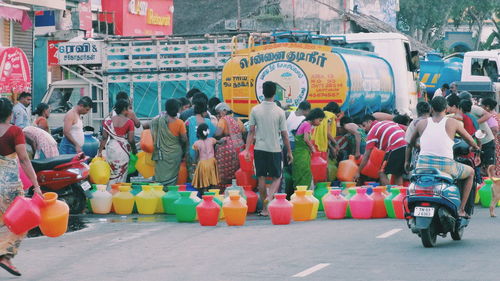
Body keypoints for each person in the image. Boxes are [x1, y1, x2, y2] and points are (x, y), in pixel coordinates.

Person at [405, 96, 479, 218]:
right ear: (446, 109)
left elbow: (410, 143)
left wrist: (411, 156)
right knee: (470, 172)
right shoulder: (452, 122)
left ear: (431, 109)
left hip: (422, 165)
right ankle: (461, 209)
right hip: (446, 166)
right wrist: (476, 147)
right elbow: (469, 140)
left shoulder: (421, 123)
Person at [0, 98, 41, 277]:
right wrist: (37, 185)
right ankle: (4, 255)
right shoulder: (15, 131)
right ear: (11, 114)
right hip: (8, 184)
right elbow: (24, 159)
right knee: (21, 219)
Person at [244, 81, 292, 216]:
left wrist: (247, 150)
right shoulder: (280, 112)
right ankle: (270, 197)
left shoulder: (255, 110)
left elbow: (251, 132)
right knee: (277, 176)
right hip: (275, 148)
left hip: (259, 148)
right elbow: (284, 134)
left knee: (261, 177)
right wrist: (289, 151)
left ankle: (265, 210)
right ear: (274, 93)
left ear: (262, 93)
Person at [358, 115, 407, 185]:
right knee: (397, 174)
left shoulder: (372, 131)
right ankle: (399, 194)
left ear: (370, 122)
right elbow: (406, 128)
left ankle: (389, 193)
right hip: (406, 146)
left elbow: (366, 155)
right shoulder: (387, 122)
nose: (363, 129)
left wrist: (358, 172)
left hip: (395, 146)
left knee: (382, 172)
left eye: (364, 125)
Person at [98, 99, 137, 185]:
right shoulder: (129, 122)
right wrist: (134, 150)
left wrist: (100, 151)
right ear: (124, 109)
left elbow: (104, 137)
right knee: (122, 172)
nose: (128, 111)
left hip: (111, 148)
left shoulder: (108, 121)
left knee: (112, 172)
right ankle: (119, 193)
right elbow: (131, 140)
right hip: (123, 150)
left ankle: (109, 192)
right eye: (128, 109)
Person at [151, 99, 187, 185]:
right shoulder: (180, 123)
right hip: (175, 154)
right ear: (177, 109)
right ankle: (170, 194)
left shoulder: (158, 121)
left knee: (160, 176)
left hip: (161, 153)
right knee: (172, 179)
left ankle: (159, 192)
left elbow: (149, 128)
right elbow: (184, 139)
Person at [459, 92, 495, 176]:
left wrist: (475, 123)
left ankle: (493, 188)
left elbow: (488, 115)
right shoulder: (463, 112)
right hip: (477, 143)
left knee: (488, 168)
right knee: (478, 168)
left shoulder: (473, 108)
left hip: (487, 141)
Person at [292, 108, 325, 188]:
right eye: (319, 120)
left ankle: (299, 192)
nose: (320, 123)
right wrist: (312, 148)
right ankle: (304, 193)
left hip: (299, 153)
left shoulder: (304, 123)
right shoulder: (308, 125)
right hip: (302, 153)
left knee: (299, 173)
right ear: (314, 117)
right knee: (304, 172)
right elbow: (306, 139)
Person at [186, 99, 218, 179]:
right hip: (207, 155)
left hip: (193, 153)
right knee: (206, 176)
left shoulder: (189, 121)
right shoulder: (208, 122)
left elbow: (184, 133)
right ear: (204, 112)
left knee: (194, 175)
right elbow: (216, 134)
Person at [214, 102, 245, 185]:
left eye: (218, 113)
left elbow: (217, 134)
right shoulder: (237, 120)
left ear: (224, 110)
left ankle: (224, 187)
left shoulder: (223, 120)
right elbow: (244, 132)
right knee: (236, 169)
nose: (218, 115)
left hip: (227, 148)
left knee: (224, 172)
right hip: (239, 147)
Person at [192, 123, 219, 191]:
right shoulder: (212, 140)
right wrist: (224, 139)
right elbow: (219, 142)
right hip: (212, 162)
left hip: (203, 164)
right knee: (213, 181)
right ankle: (213, 195)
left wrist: (194, 164)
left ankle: (205, 197)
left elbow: (196, 155)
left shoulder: (197, 143)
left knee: (204, 182)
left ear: (198, 134)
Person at [481, 98, 499, 176]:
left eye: (482, 106)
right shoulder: (497, 115)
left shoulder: (490, 117)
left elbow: (495, 129)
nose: (481, 108)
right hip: (497, 143)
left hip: (494, 143)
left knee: (492, 168)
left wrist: (490, 136)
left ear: (487, 107)